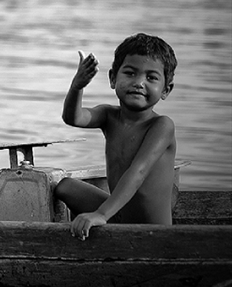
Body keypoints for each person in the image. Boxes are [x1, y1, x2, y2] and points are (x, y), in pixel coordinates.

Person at [54, 33, 177, 240]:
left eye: (151, 78)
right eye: (130, 73)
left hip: (153, 234)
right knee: (64, 187)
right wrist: (77, 86)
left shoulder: (162, 126)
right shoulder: (108, 115)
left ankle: (95, 224)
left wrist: (100, 214)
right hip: (119, 217)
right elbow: (73, 118)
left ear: (165, 90)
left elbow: (137, 173)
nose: (138, 83)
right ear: (112, 78)